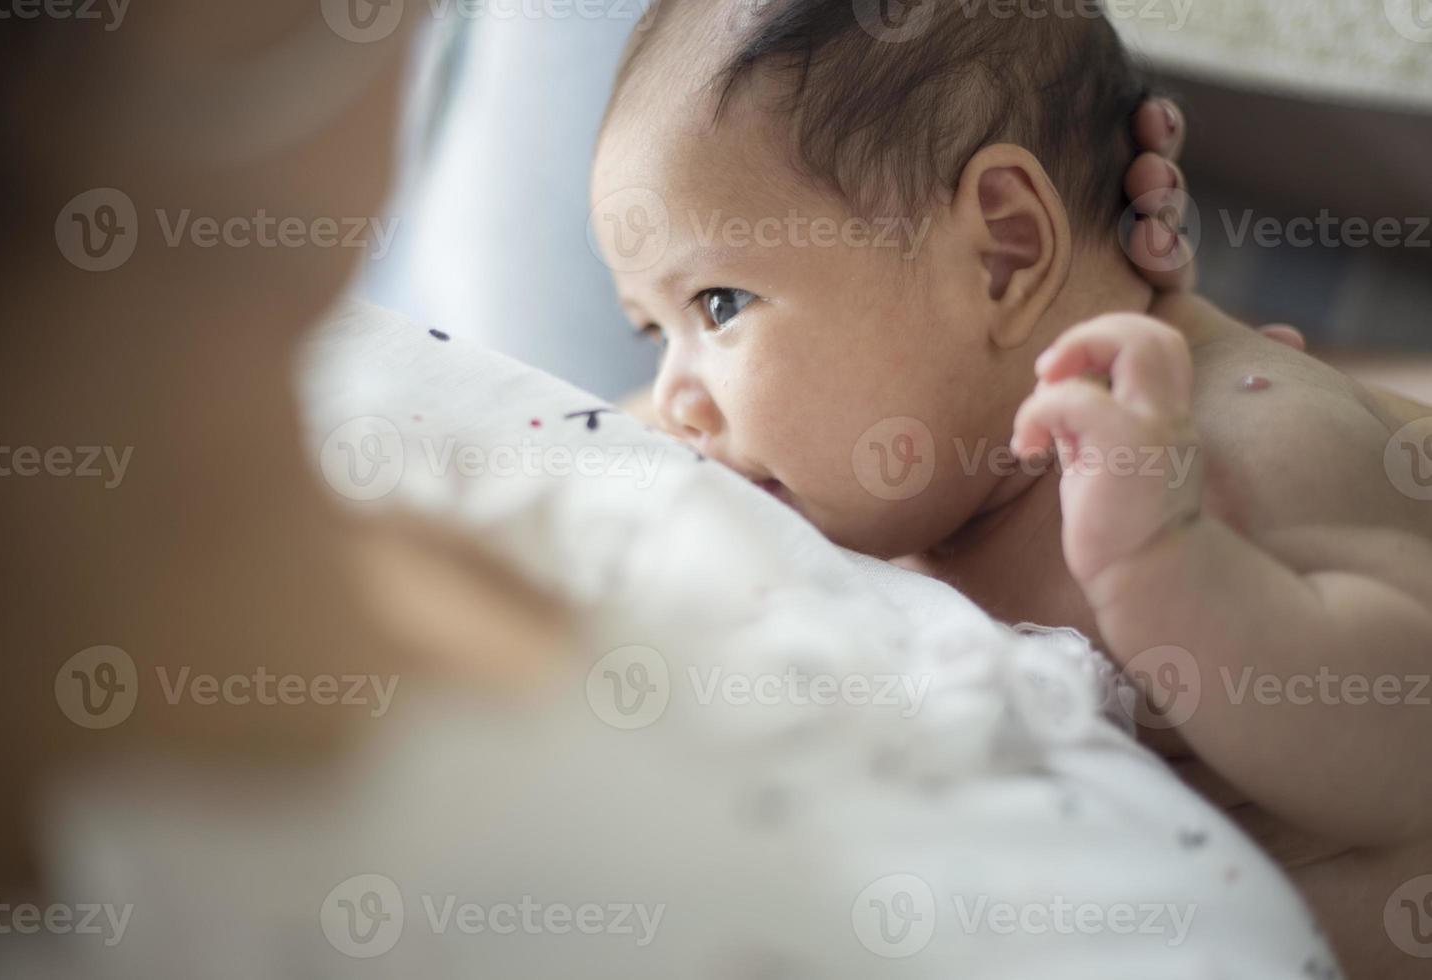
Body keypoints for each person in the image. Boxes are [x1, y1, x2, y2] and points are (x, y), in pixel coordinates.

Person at [588, 1, 1432, 975]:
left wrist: (1175, 574)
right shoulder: (902, 486)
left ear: (1004, 249)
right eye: (654, 333)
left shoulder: (1230, 441)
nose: (677, 399)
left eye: (719, 304)